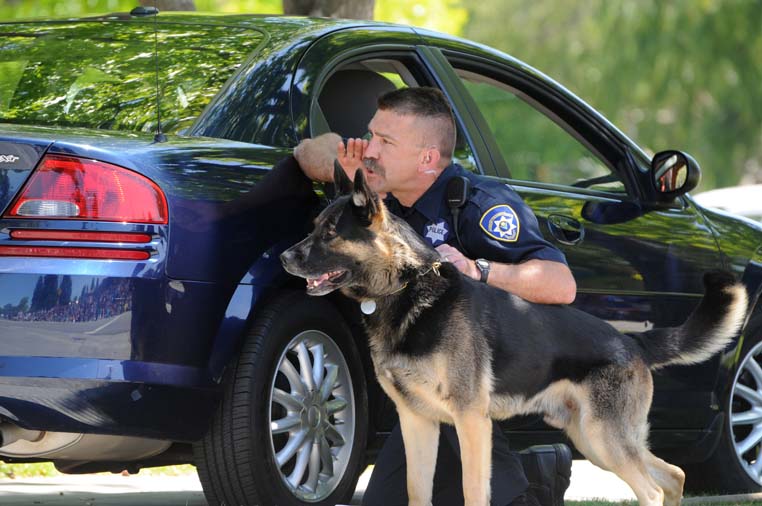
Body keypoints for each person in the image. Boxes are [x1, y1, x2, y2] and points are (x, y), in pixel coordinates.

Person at [295, 86, 576, 506]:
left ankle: (524, 492)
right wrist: (346, 164)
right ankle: (535, 473)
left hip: (507, 380)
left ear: (426, 159)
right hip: (425, 393)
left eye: (385, 142)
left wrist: (477, 270)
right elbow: (305, 151)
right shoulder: (378, 204)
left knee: (455, 391)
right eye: (371, 135)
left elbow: (561, 285)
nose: (371, 149)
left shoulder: (478, 205)